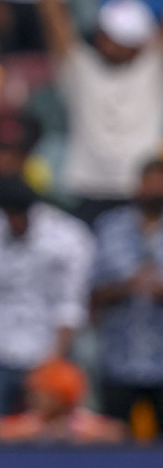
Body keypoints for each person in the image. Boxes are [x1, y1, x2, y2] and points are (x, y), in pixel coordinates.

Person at [36, 0, 163, 223]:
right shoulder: (81, 68)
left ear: (138, 43)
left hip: (139, 193)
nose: (107, 42)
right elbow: (53, 15)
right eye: (105, 34)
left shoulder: (153, 69)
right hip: (85, 191)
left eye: (118, 37)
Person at [0, 175, 94, 421]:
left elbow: (70, 307)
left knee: (47, 434)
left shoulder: (67, 237)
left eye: (20, 216)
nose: (15, 222)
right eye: (9, 217)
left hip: (48, 350)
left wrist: (53, 364)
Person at [90, 158, 163, 430]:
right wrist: (128, 286)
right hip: (118, 357)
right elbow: (92, 290)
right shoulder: (111, 226)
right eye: (150, 185)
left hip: (160, 356)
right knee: (114, 439)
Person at [0, 357, 126, 444]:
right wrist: (38, 434)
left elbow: (116, 432)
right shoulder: (33, 423)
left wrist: (72, 435)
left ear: (61, 397)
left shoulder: (79, 421)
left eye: (42, 393)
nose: (33, 398)